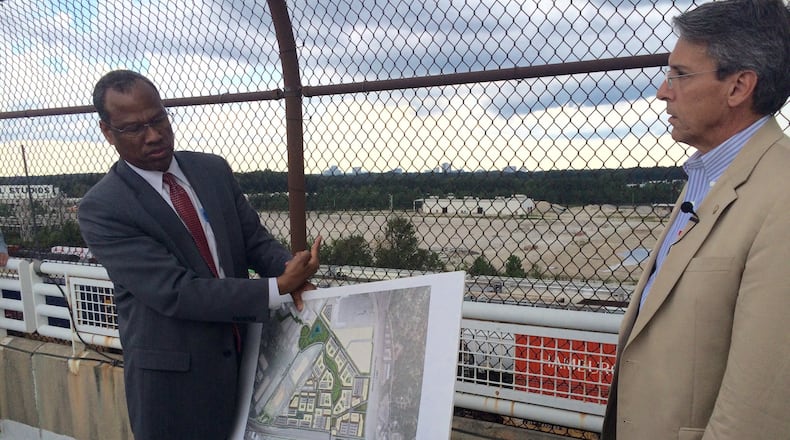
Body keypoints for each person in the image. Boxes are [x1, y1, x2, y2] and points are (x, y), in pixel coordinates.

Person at [78, 70, 322, 439]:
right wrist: (276, 288)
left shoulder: (212, 170)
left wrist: (293, 271)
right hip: (178, 390)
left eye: (159, 118)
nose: (154, 135)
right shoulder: (103, 207)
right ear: (107, 132)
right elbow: (177, 291)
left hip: (249, 364)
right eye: (134, 128)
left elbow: (253, 240)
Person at [602, 1, 790, 439]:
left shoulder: (781, 196)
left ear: (739, 86)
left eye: (681, 75)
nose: (663, 92)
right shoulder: (706, 176)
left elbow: (757, 411)